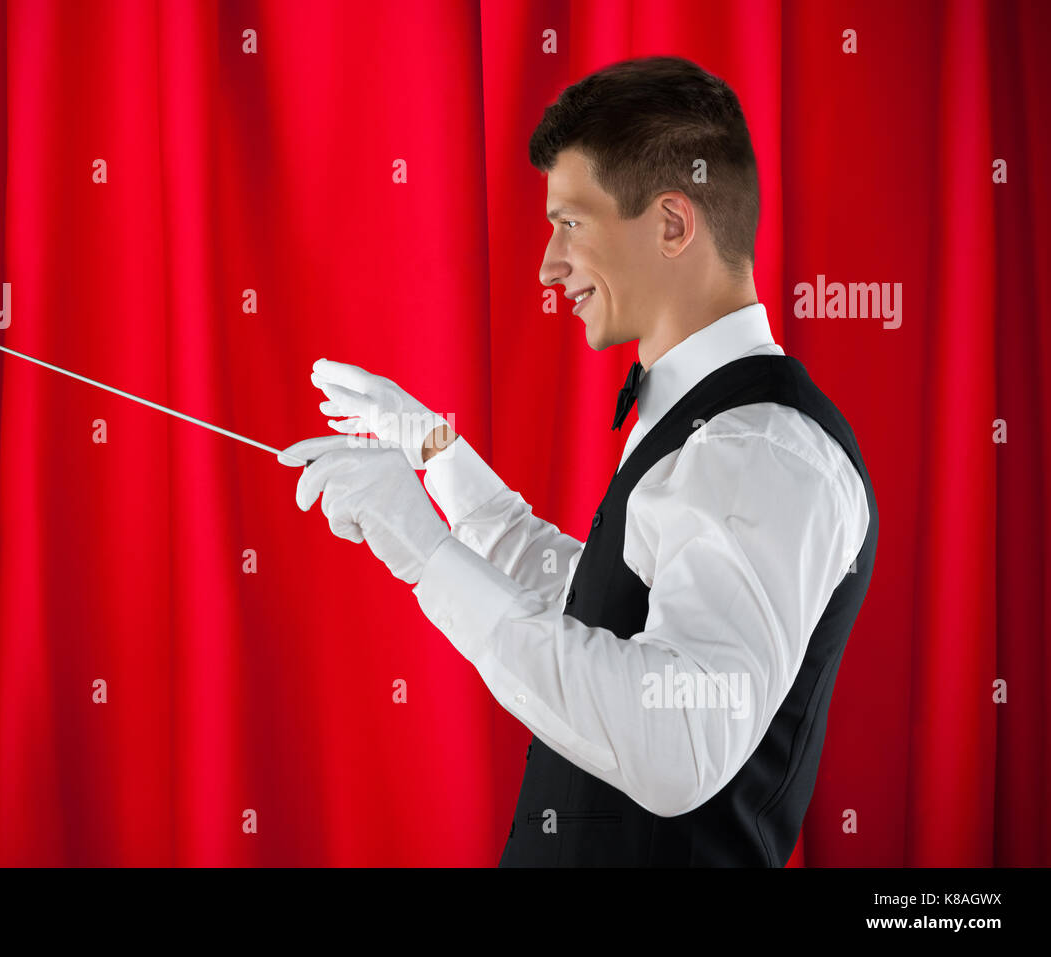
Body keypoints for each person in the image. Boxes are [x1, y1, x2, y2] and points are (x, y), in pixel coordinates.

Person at [279, 55, 878, 867]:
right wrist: (433, 452)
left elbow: (678, 742)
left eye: (571, 223)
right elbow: (592, 607)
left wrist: (424, 552)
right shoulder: (702, 423)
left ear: (673, 223)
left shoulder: (759, 449)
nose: (547, 265)